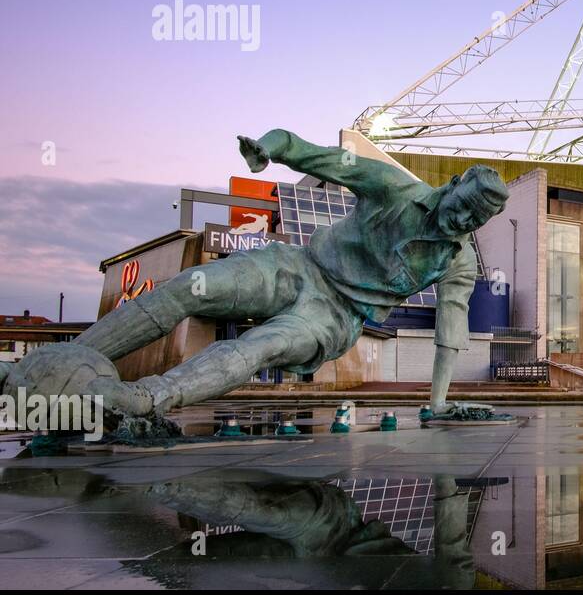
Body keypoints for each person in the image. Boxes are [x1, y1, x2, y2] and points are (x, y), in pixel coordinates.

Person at [3, 129, 508, 419]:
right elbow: (323, 157)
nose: (459, 223)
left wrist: (438, 404)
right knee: (189, 287)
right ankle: (61, 367)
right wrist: (269, 148)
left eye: (473, 222)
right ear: (454, 184)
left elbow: (449, 334)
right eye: (461, 208)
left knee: (260, 347)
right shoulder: (394, 188)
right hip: (297, 265)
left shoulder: (456, 260)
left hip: (336, 316)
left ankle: (146, 399)